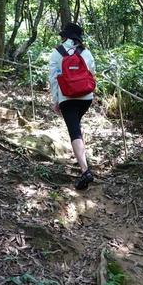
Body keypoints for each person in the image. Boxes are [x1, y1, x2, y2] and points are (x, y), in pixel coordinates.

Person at [48, 22, 96, 190]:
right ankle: (82, 159)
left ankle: (85, 171)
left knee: (74, 132)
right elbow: (92, 73)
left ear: (65, 36)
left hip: (67, 97)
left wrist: (56, 100)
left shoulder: (57, 53)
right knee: (76, 128)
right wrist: (91, 95)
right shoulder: (86, 52)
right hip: (86, 97)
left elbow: (54, 79)